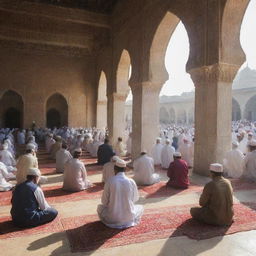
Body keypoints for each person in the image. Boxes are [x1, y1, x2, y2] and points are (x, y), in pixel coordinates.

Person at [97, 159, 144, 229]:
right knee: (140, 207)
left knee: (99, 208)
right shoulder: (131, 181)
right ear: (125, 169)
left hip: (112, 218)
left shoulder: (110, 181)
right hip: (128, 217)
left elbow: (104, 202)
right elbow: (135, 199)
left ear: (114, 169)